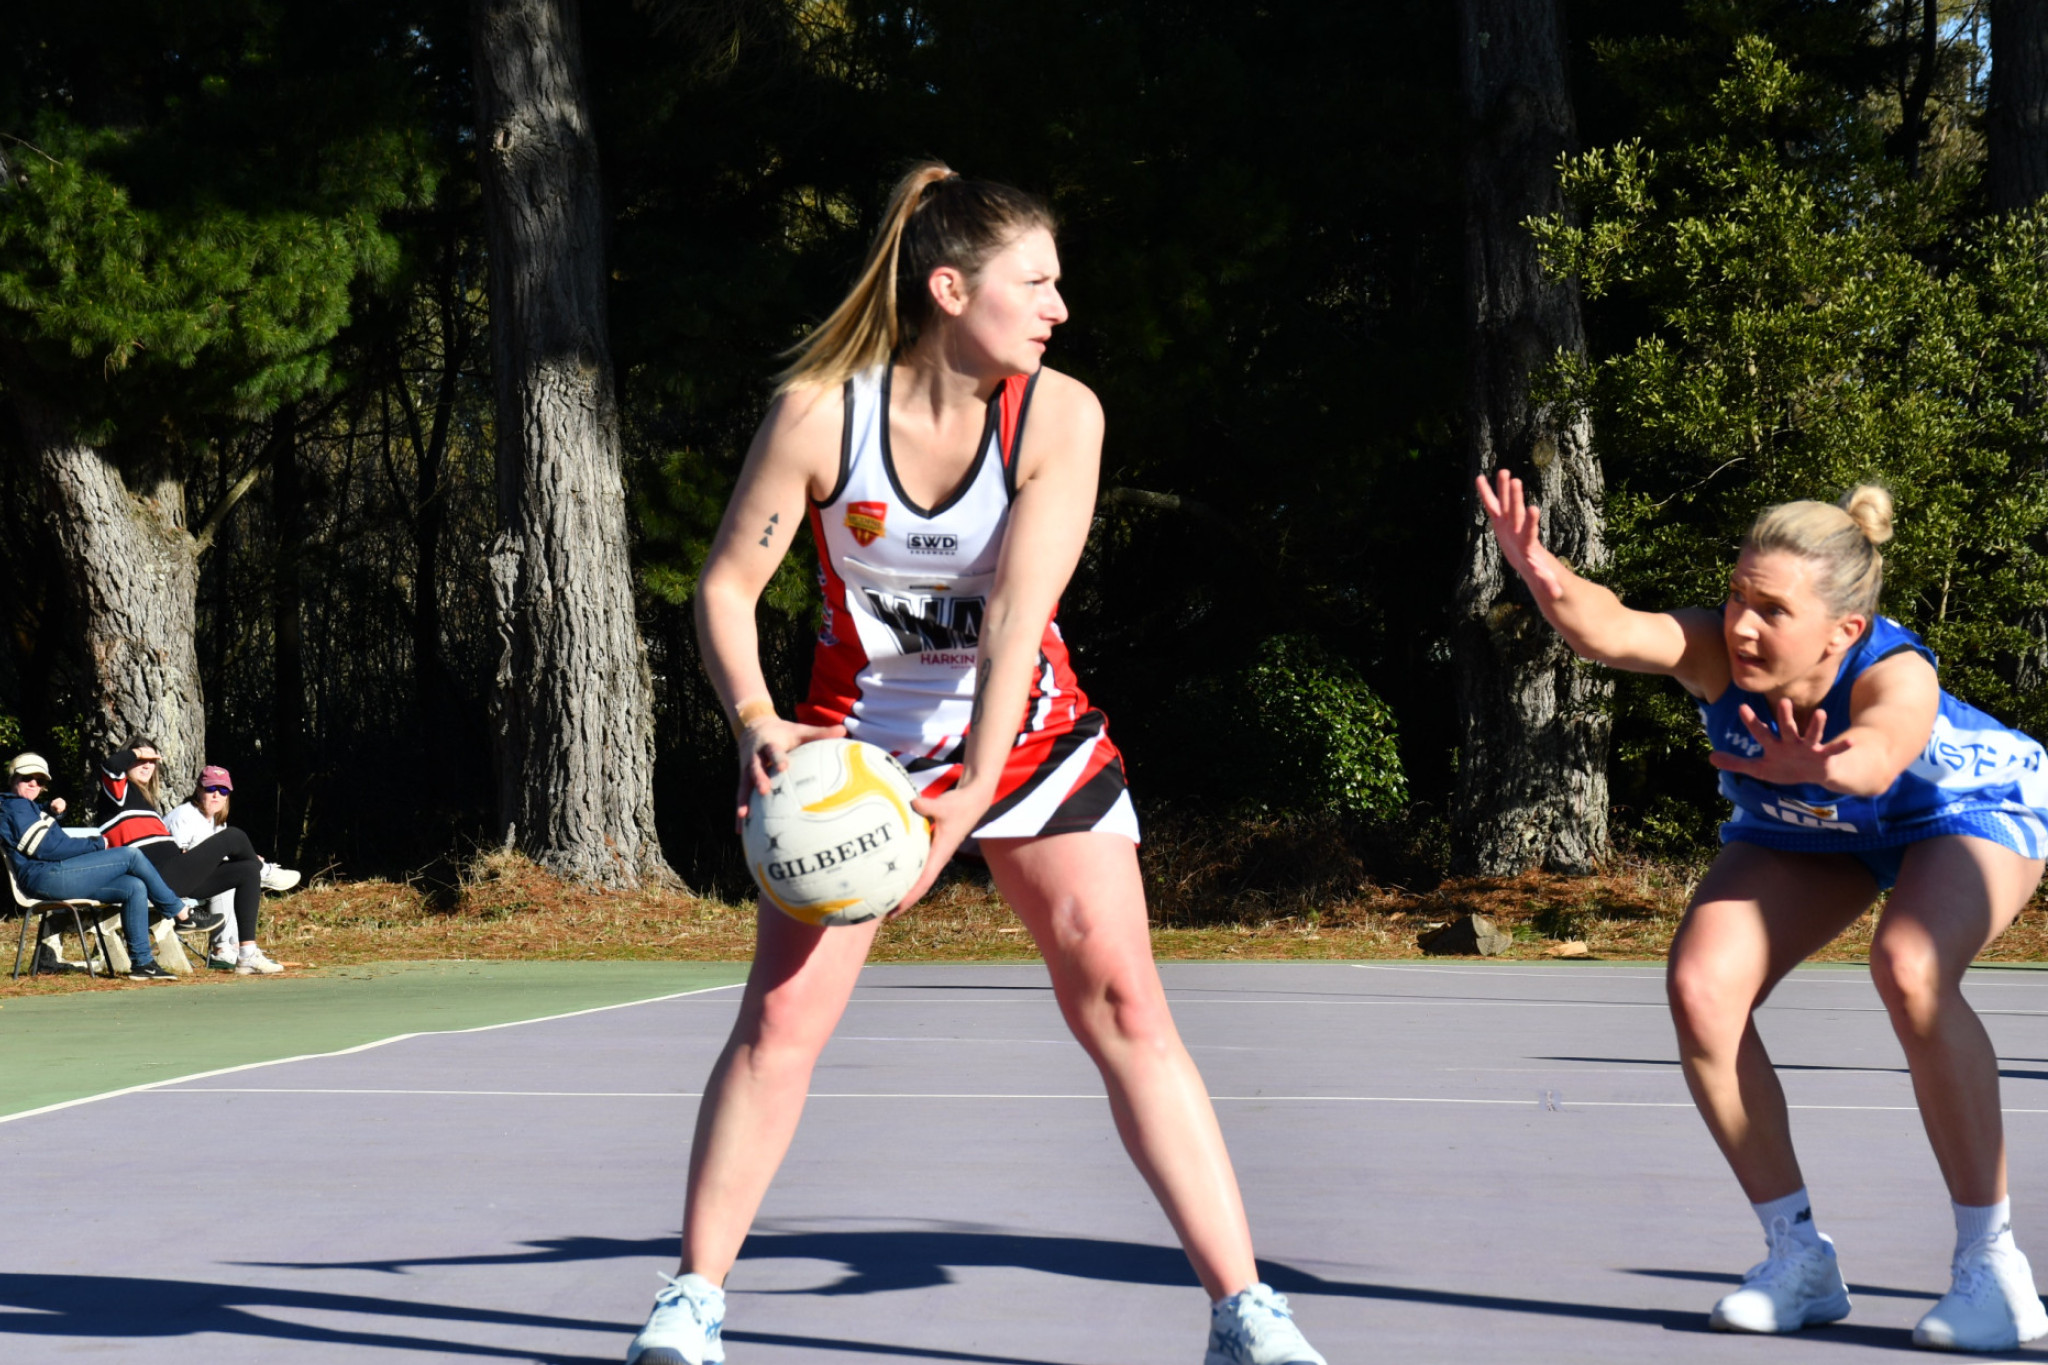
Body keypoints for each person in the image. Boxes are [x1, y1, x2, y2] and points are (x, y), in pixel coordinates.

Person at [625, 164, 1326, 1365]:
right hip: (858, 753)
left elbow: (1015, 622)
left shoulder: (1059, 414)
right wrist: (754, 721)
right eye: (1036, 282)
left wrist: (966, 807)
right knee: (779, 1024)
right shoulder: (818, 413)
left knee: (1124, 1009)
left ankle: (1242, 1312)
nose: (1059, 306)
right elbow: (726, 587)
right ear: (950, 289)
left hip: (1034, 741)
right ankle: (690, 1303)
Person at [1480, 469, 2048, 1351]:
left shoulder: (1893, 668)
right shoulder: (1717, 650)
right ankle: (1799, 1259)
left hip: (1962, 806)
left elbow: (1878, 755)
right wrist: (1540, 570)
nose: (1741, 623)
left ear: (1843, 630)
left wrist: (1819, 767)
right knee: (1703, 987)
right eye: (1736, 595)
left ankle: (1993, 1267)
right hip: (1811, 817)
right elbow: (1611, 627)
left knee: (1912, 966)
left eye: (1772, 609)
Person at [1, 750, 212, 981]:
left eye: (39, 781)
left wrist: (51, 811)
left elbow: (39, 833)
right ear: (12, 779)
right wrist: (97, 844)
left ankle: (143, 963)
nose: (33, 783)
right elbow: (47, 849)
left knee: (134, 886)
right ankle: (180, 913)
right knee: (131, 856)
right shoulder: (14, 807)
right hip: (44, 877)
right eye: (26, 778)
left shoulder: (23, 808)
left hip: (53, 874)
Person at [97, 741, 286, 975]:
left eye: (152, 761)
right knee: (233, 836)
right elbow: (110, 765)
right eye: (140, 759)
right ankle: (265, 872)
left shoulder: (146, 804)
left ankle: (247, 954)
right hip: (158, 877)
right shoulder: (118, 794)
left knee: (246, 870)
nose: (147, 765)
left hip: (176, 873)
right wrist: (139, 751)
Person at [163, 764, 301, 971]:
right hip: (172, 883)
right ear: (199, 790)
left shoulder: (217, 822)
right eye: (211, 789)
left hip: (196, 881)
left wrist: (247, 860)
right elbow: (175, 858)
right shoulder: (183, 815)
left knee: (245, 870)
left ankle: (243, 951)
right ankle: (264, 872)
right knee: (236, 840)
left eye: (223, 791)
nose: (217, 795)